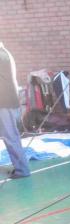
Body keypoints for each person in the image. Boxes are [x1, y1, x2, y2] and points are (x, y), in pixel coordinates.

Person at [0, 41, 30, 179]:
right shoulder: (5, 53)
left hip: (5, 103)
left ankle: (22, 170)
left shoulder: (2, 56)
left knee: (10, 136)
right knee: (11, 136)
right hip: (9, 101)